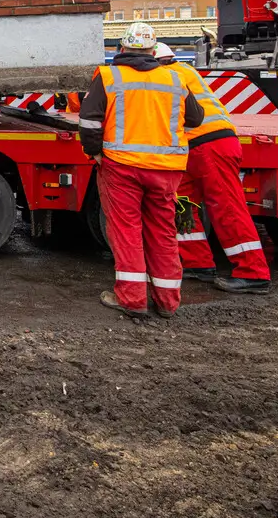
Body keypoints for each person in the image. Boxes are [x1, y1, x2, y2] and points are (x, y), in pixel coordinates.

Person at [78, 23, 204, 318]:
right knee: (162, 232)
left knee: (126, 231)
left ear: (121, 49)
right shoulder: (174, 78)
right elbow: (196, 119)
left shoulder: (109, 76)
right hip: (166, 169)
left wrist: (94, 152)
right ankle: (168, 301)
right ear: (153, 50)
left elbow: (89, 122)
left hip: (122, 167)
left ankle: (133, 299)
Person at [154, 43, 272, 294]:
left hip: (209, 144)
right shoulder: (185, 71)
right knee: (184, 205)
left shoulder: (169, 76)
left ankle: (254, 273)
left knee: (227, 208)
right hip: (196, 147)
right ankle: (197, 262)